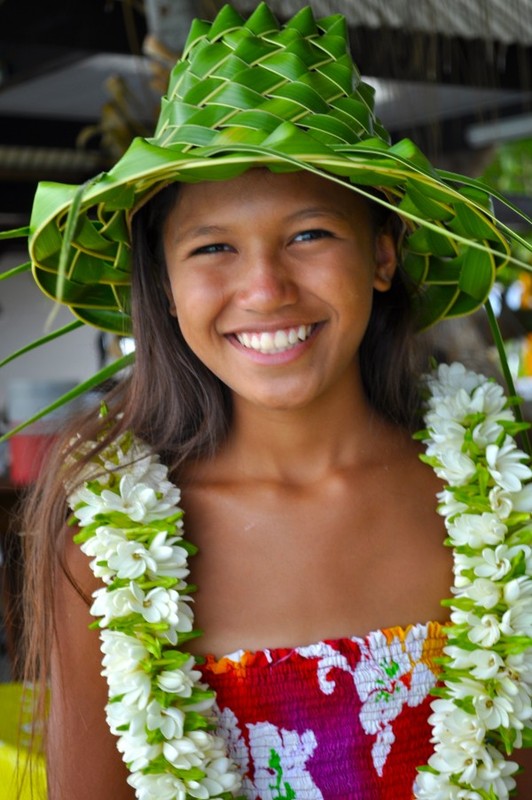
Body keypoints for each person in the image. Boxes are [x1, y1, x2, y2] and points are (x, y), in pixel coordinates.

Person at [3, 3, 531, 799]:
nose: (265, 289)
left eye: (311, 234)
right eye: (213, 247)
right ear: (167, 289)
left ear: (382, 256)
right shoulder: (113, 553)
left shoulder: (503, 508)